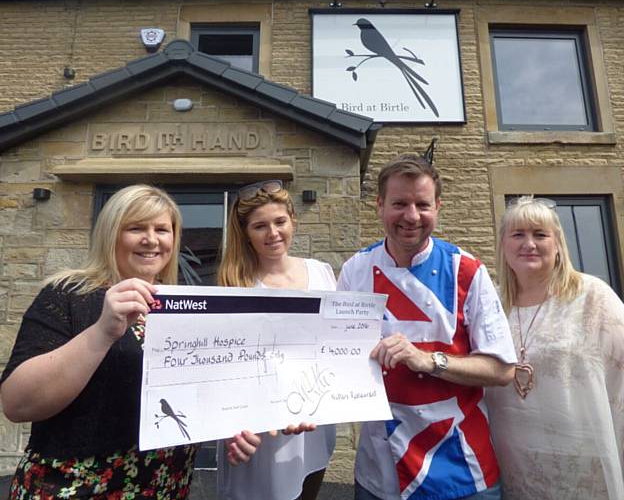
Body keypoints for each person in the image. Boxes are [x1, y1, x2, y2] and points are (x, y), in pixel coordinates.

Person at [337, 154, 517, 500]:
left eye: (422, 204)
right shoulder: (355, 270)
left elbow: (503, 369)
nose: (411, 216)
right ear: (379, 205)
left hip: (463, 471)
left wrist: (429, 360)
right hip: (380, 474)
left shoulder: (467, 270)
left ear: (438, 206)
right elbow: (334, 358)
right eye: (399, 204)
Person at [0, 184, 197, 499]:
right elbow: (17, 402)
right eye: (136, 228)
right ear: (111, 234)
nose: (152, 239)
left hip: (166, 486)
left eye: (162, 229)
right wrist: (102, 331)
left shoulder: (181, 305)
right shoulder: (69, 294)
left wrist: (234, 429)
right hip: (78, 487)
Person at [485, 195, 624, 500]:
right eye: (518, 234)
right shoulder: (492, 307)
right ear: (503, 245)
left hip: (586, 472)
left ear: (558, 244)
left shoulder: (593, 297)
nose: (528, 243)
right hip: (515, 477)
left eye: (540, 234)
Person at [216, 179, 337, 500]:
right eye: (260, 226)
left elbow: (338, 343)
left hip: (313, 424)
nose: (273, 233)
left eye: (280, 221)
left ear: (293, 220)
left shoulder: (322, 272)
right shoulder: (235, 285)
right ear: (245, 232)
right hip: (259, 434)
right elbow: (225, 369)